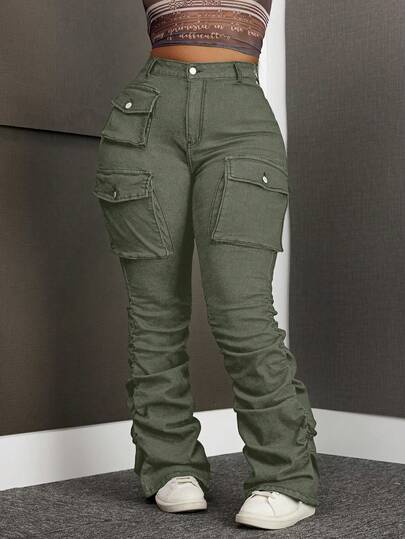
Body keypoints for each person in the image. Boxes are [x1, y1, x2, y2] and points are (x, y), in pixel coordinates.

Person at [92, 0, 320, 530]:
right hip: (145, 117)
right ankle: (169, 465)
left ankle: (286, 474)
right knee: (154, 312)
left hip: (240, 117)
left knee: (242, 313)